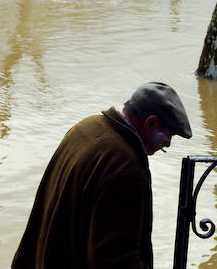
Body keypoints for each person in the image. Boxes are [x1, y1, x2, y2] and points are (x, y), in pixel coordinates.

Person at [11, 82, 192, 269]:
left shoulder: (87, 126)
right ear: (151, 123)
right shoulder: (126, 169)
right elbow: (115, 259)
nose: (168, 144)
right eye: (169, 135)